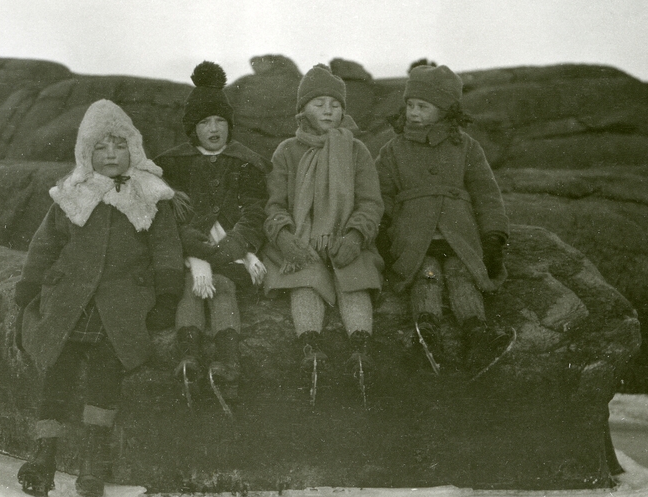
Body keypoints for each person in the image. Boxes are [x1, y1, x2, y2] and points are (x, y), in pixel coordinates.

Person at [12, 99, 183, 497]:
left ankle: (93, 462)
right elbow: (45, 244)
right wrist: (29, 285)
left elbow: (167, 250)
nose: (110, 155)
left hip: (122, 301)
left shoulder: (151, 195)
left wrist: (167, 295)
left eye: (119, 146)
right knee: (58, 365)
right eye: (101, 147)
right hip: (70, 297)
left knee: (108, 366)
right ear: (86, 153)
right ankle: (43, 457)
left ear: (133, 151)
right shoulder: (72, 192)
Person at [375, 63, 511, 373]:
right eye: (410, 105)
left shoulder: (466, 147)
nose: (413, 112)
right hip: (413, 237)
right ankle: (428, 333)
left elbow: (486, 194)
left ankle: (477, 334)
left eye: (423, 106)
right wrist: (381, 229)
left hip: (459, 235)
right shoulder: (392, 151)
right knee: (426, 274)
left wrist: (493, 237)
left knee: (462, 274)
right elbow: (381, 194)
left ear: (445, 110)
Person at [261, 64, 385, 393]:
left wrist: (356, 237)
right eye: (319, 104)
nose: (328, 110)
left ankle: (361, 352)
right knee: (305, 279)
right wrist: (284, 237)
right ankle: (310, 350)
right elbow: (274, 204)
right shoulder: (287, 151)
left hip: (346, 239)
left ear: (344, 110)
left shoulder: (357, 151)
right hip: (300, 242)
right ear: (303, 110)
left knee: (353, 279)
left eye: (335, 104)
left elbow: (371, 203)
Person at [153, 61, 269, 403]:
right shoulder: (172, 165)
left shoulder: (246, 161)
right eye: (205, 122)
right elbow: (170, 217)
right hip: (190, 252)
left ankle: (227, 363)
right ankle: (188, 358)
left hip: (232, 250)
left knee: (225, 287)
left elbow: (255, 210)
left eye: (220, 121)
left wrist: (235, 245)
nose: (214, 129)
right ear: (193, 128)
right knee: (191, 288)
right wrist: (196, 247)